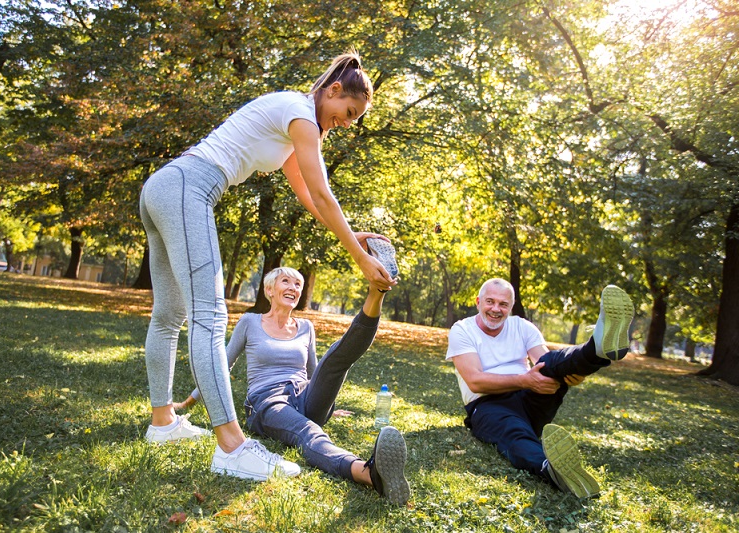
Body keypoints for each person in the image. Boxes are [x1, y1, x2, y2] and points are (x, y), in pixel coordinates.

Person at [139, 51, 396, 482]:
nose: (347, 123)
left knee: (169, 317)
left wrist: (354, 237)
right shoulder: (302, 117)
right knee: (210, 314)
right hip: (189, 187)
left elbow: (311, 198)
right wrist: (359, 256)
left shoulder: (294, 118)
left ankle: (163, 421)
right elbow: (324, 190)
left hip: (165, 186)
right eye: (348, 112)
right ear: (333, 91)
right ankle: (233, 447)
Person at [177, 266, 411, 503]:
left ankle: (376, 293)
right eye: (285, 281)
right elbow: (223, 364)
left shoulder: (306, 327)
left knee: (336, 358)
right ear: (269, 289)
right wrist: (190, 400)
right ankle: (367, 472)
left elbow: (317, 372)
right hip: (267, 401)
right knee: (308, 431)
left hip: (303, 394)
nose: (293, 287)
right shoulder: (250, 322)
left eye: (298, 284)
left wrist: (328, 405)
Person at [446, 278, 634, 498]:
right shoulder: (462, 330)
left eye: (503, 304)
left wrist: (574, 373)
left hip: (532, 398)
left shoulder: (522, 326)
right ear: (478, 302)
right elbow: (475, 381)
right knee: (515, 436)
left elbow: (547, 362)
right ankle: (551, 469)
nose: (496, 309)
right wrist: (523, 380)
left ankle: (596, 349)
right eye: (490, 302)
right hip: (488, 405)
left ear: (511, 307)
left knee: (553, 364)